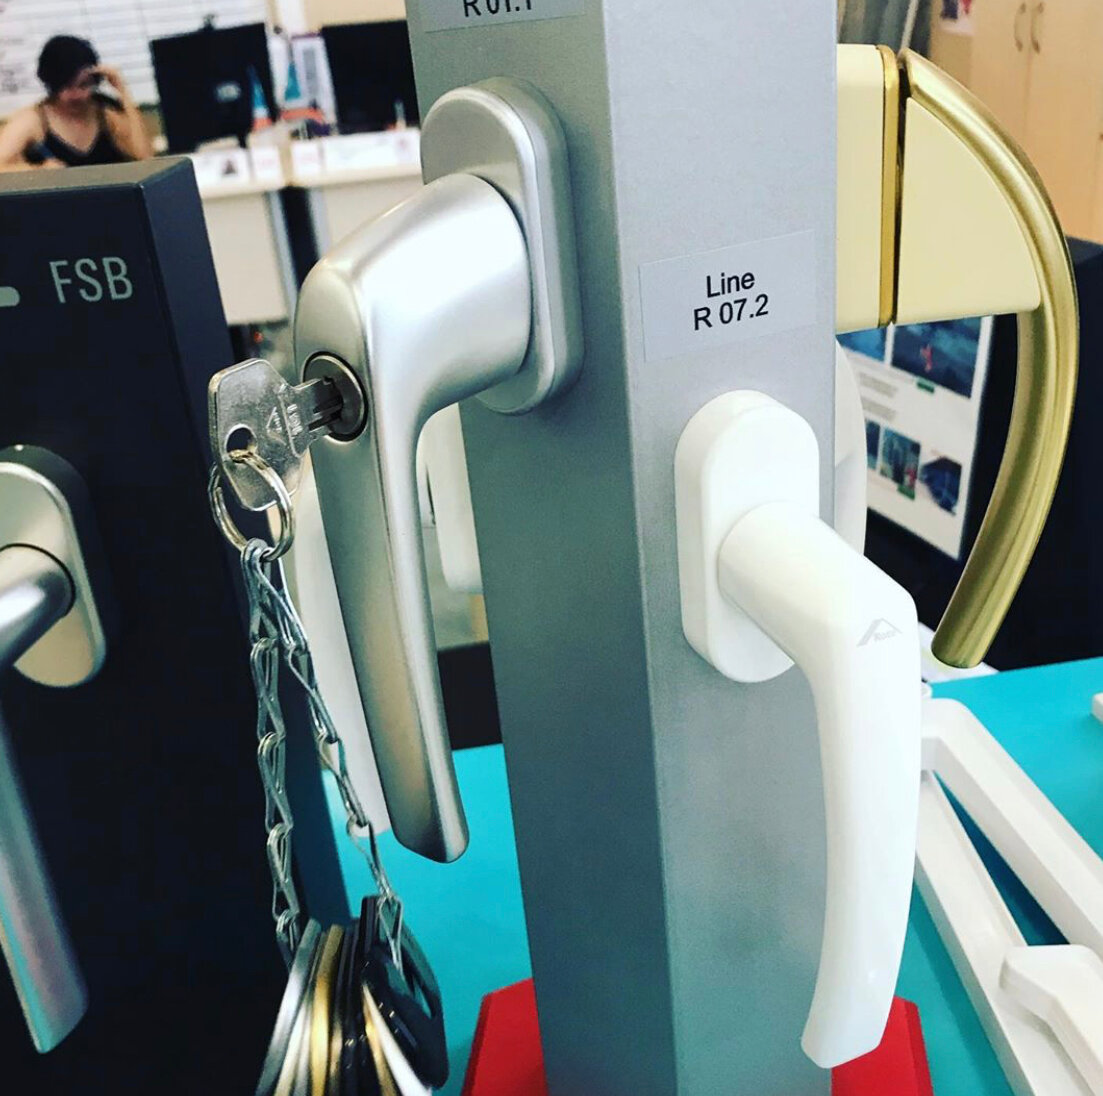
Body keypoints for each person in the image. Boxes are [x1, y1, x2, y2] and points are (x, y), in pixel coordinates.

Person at [0, 36, 153, 173]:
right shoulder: (34, 119)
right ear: (52, 84)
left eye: (84, 85)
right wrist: (37, 171)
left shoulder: (105, 112)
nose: (76, 95)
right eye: (67, 86)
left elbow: (145, 158)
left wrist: (123, 91)